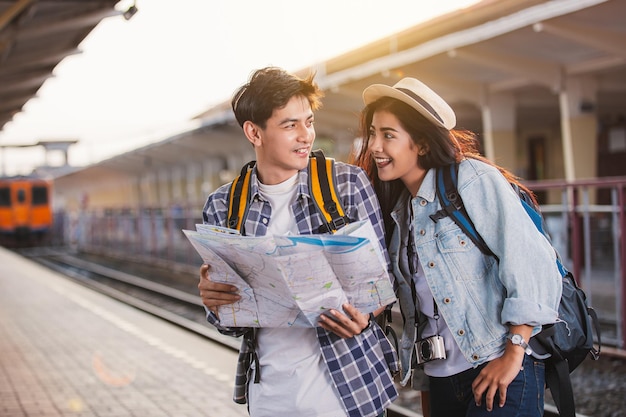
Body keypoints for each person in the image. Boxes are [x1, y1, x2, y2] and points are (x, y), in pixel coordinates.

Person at [351, 77, 562, 417]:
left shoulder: (471, 180)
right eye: (373, 133)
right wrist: (426, 385)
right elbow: (420, 313)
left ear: (420, 144)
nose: (374, 145)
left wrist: (514, 353)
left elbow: (531, 262)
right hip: (442, 380)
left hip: (497, 364)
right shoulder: (400, 213)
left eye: (388, 135)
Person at [197, 67, 399, 417]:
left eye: (309, 121)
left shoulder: (346, 185)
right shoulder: (223, 205)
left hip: (350, 392)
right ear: (254, 132)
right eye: (290, 125)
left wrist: (365, 315)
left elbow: (381, 280)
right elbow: (230, 324)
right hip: (271, 398)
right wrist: (215, 302)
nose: (306, 135)